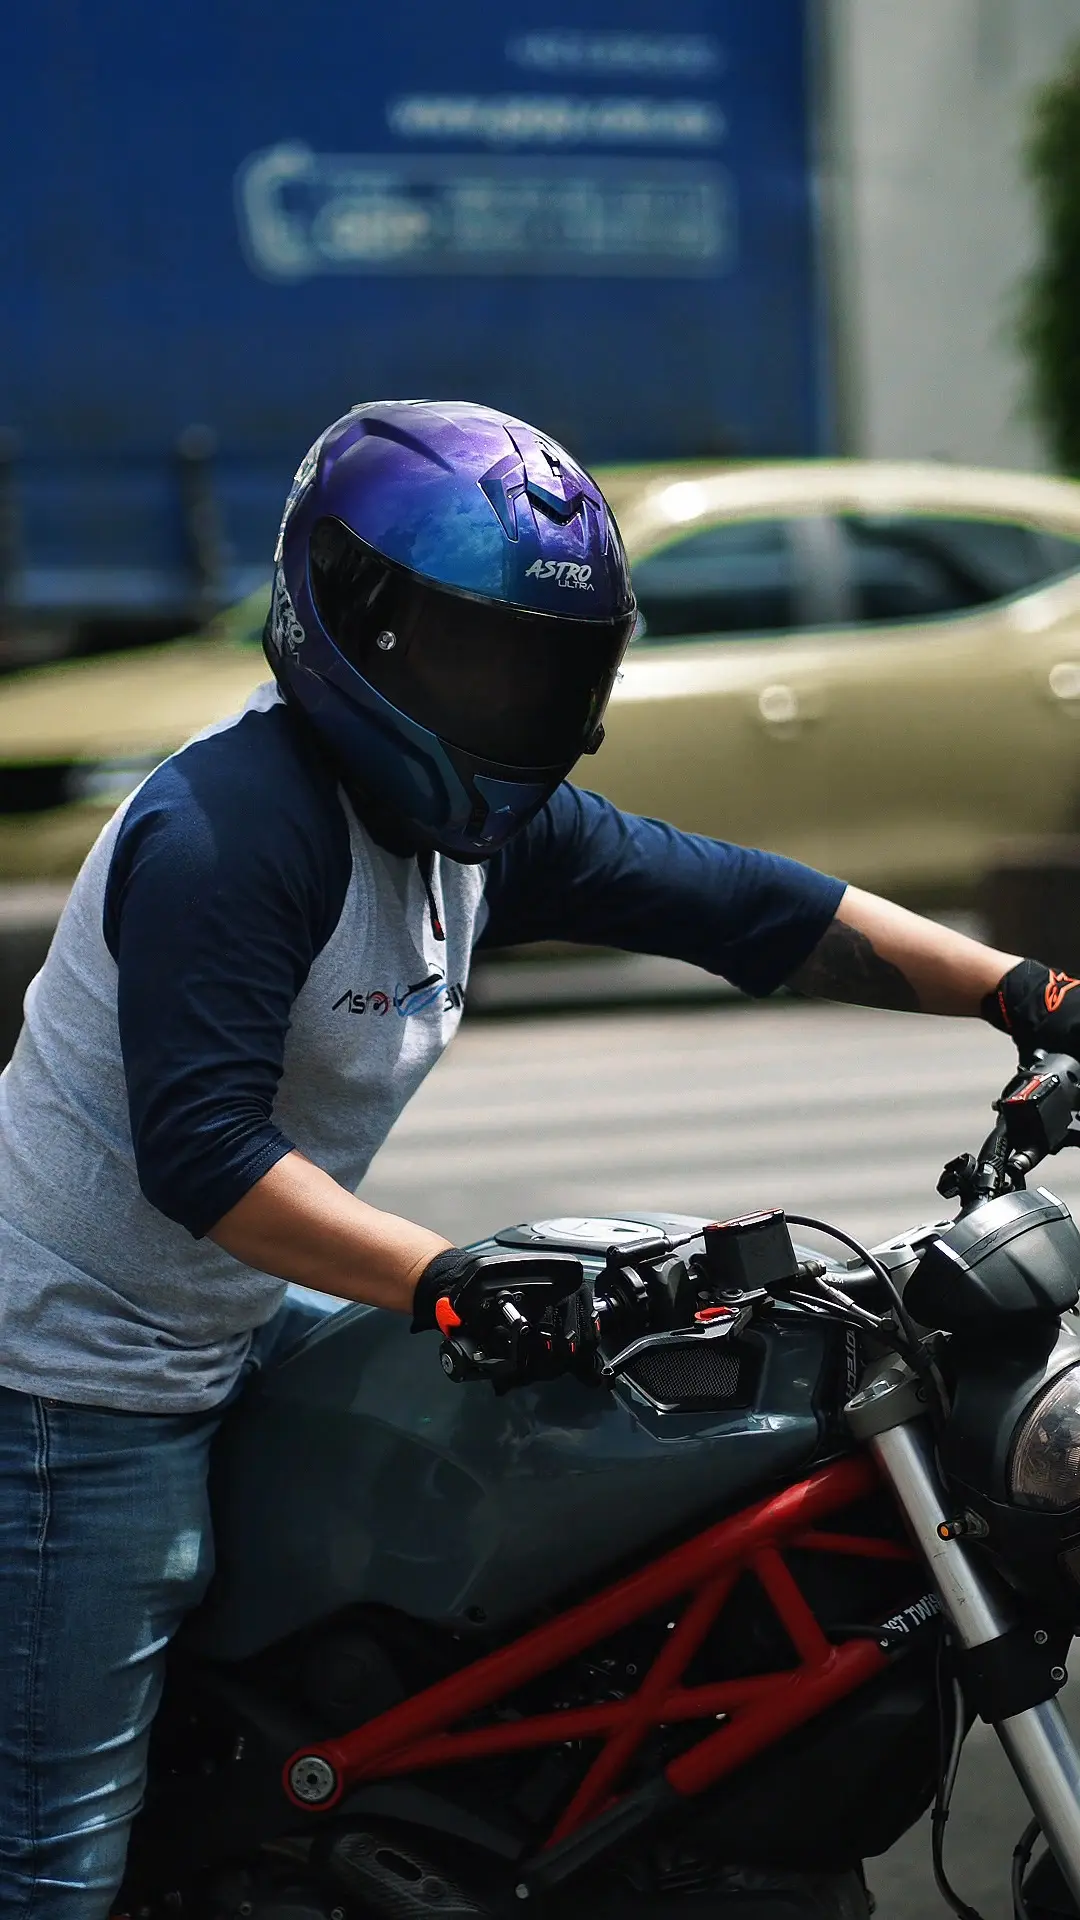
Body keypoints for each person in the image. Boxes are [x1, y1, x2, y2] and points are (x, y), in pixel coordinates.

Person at [0, 398, 1074, 1918]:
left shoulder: (474, 831)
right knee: (53, 1853)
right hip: (69, 1373)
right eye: (475, 657)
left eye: (547, 669)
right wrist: (453, 1281)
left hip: (223, 1315)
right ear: (352, 620)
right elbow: (208, 1158)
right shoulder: (233, 831)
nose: (511, 704)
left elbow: (751, 909)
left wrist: (1025, 992)